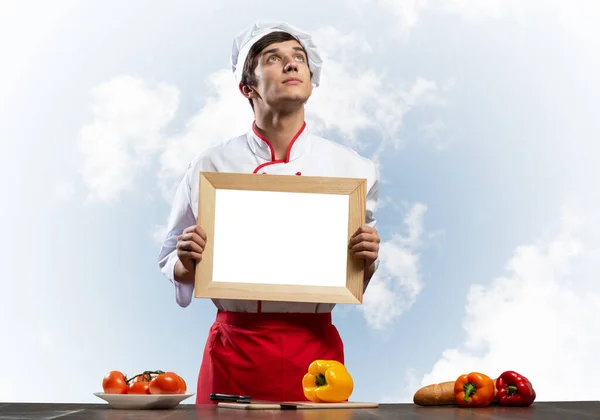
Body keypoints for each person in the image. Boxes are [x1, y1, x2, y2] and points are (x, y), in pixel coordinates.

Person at [157, 21, 381, 404]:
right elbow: (170, 259)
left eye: (299, 58)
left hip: (316, 353)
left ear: (311, 78)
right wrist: (187, 259)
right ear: (248, 87)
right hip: (234, 349)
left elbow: (354, 274)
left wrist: (368, 257)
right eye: (273, 59)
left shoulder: (352, 169)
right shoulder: (211, 164)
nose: (292, 65)